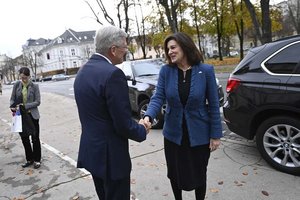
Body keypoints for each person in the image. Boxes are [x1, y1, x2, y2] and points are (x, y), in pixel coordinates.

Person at [73, 26, 150, 200]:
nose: (126, 50)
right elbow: (122, 123)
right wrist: (141, 129)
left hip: (92, 152)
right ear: (113, 50)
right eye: (124, 47)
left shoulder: (83, 71)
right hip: (111, 158)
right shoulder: (113, 75)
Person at [143, 32, 223, 200]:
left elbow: (214, 105)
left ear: (185, 47)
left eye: (173, 47)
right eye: (168, 49)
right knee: (175, 172)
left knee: (199, 172)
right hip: (173, 134)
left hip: (199, 134)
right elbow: (158, 96)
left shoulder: (206, 70)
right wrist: (148, 116)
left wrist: (215, 134)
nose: (170, 51)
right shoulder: (166, 71)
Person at [9, 67, 41, 169]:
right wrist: (13, 106)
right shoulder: (16, 85)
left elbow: (38, 102)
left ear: (29, 76)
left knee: (35, 138)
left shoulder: (34, 86)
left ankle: (37, 160)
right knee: (24, 139)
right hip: (20, 117)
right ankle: (29, 159)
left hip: (32, 115)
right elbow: (12, 98)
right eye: (22, 77)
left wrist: (24, 106)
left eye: (25, 77)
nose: (24, 80)